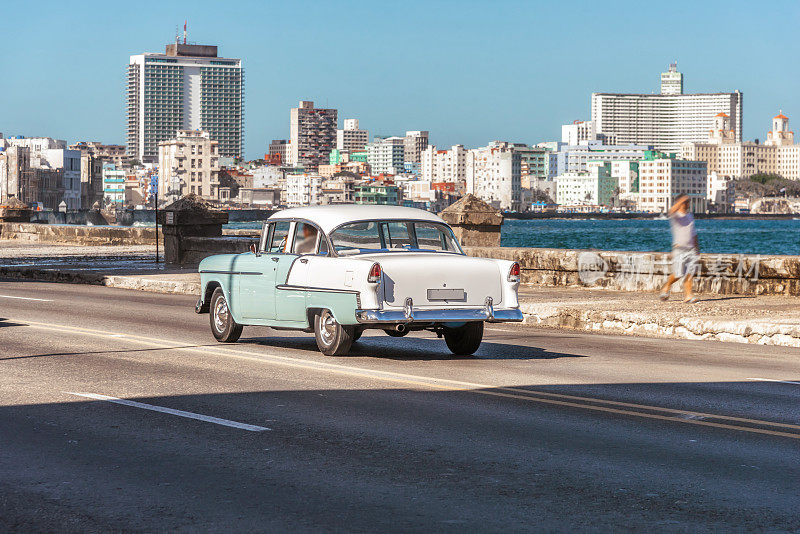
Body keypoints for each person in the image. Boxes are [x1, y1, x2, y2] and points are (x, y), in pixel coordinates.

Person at [660, 194, 699, 303]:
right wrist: (681, 199)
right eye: (686, 202)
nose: (688, 204)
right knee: (678, 273)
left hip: (691, 249)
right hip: (679, 249)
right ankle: (666, 286)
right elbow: (670, 211)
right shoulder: (675, 216)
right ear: (681, 203)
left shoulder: (690, 216)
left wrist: (697, 248)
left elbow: (694, 233)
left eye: (688, 202)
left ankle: (688, 296)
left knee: (690, 272)